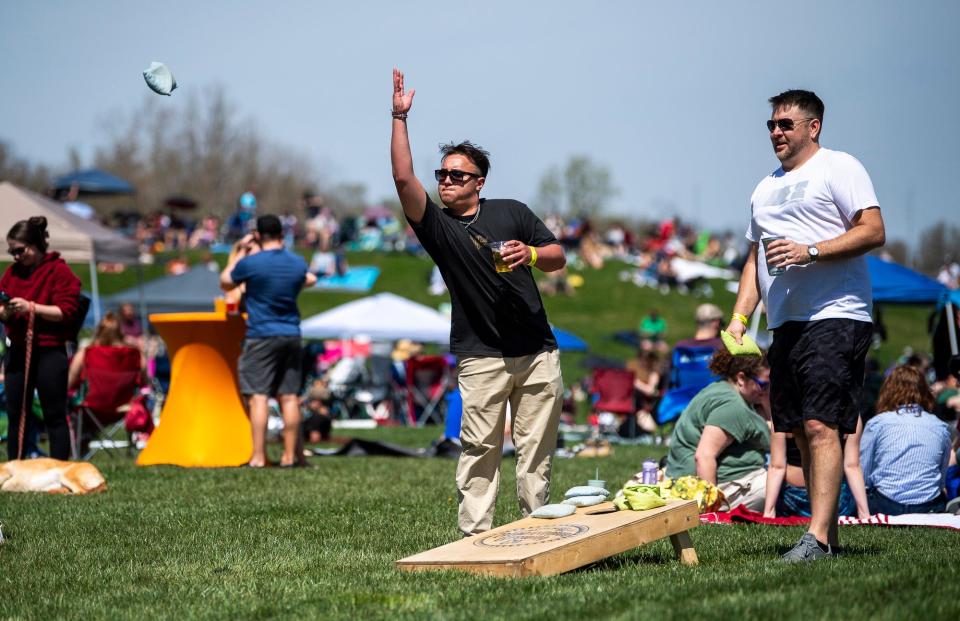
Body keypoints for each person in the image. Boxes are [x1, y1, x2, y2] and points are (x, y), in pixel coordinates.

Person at [390, 68, 567, 536]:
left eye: (456, 174)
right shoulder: (437, 226)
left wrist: (528, 252)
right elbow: (403, 177)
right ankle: (476, 537)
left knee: (535, 451)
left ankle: (536, 532)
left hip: (536, 351)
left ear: (479, 182)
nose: (445, 180)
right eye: (442, 174)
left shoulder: (513, 212)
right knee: (479, 448)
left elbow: (557, 257)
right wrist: (399, 117)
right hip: (481, 355)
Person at [726, 89, 886, 562]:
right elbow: (755, 260)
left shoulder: (839, 167)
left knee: (821, 424)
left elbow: (873, 229)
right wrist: (739, 318)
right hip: (786, 324)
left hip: (837, 313)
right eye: (772, 125)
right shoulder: (764, 187)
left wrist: (810, 249)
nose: (776, 132)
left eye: (786, 124)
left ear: (813, 127)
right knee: (795, 428)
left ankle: (816, 538)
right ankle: (827, 537)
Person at [220, 215, 317, 468]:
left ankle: (259, 457)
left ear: (259, 236)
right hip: (292, 334)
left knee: (259, 397)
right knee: (289, 397)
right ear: (282, 235)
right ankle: (289, 456)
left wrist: (242, 250)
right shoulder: (297, 262)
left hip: (261, 334)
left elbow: (226, 280)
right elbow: (308, 279)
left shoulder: (252, 263)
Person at [0, 216, 82, 461]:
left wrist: (31, 307)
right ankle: (15, 467)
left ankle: (59, 468)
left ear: (36, 245)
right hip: (18, 350)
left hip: (49, 351)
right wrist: (6, 312)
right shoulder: (12, 274)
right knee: (16, 414)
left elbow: (65, 312)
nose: (16, 257)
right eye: (11, 251)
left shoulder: (59, 271)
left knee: (54, 413)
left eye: (20, 250)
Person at [664, 347, 771, 511]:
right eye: (763, 385)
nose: (766, 391)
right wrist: (709, 507)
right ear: (741, 378)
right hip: (696, 485)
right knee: (777, 485)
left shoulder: (725, 390)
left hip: (689, 478)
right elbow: (704, 457)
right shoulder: (731, 406)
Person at [860, 365, 953, 515]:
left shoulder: (877, 423)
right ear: (924, 391)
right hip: (928, 505)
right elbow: (941, 478)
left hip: (885, 503)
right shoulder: (940, 426)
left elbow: (863, 475)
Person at [763, 425, 870, 520]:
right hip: (835, 503)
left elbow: (777, 467)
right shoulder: (847, 409)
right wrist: (864, 513)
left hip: (793, 502)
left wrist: (768, 512)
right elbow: (852, 466)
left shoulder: (784, 409)